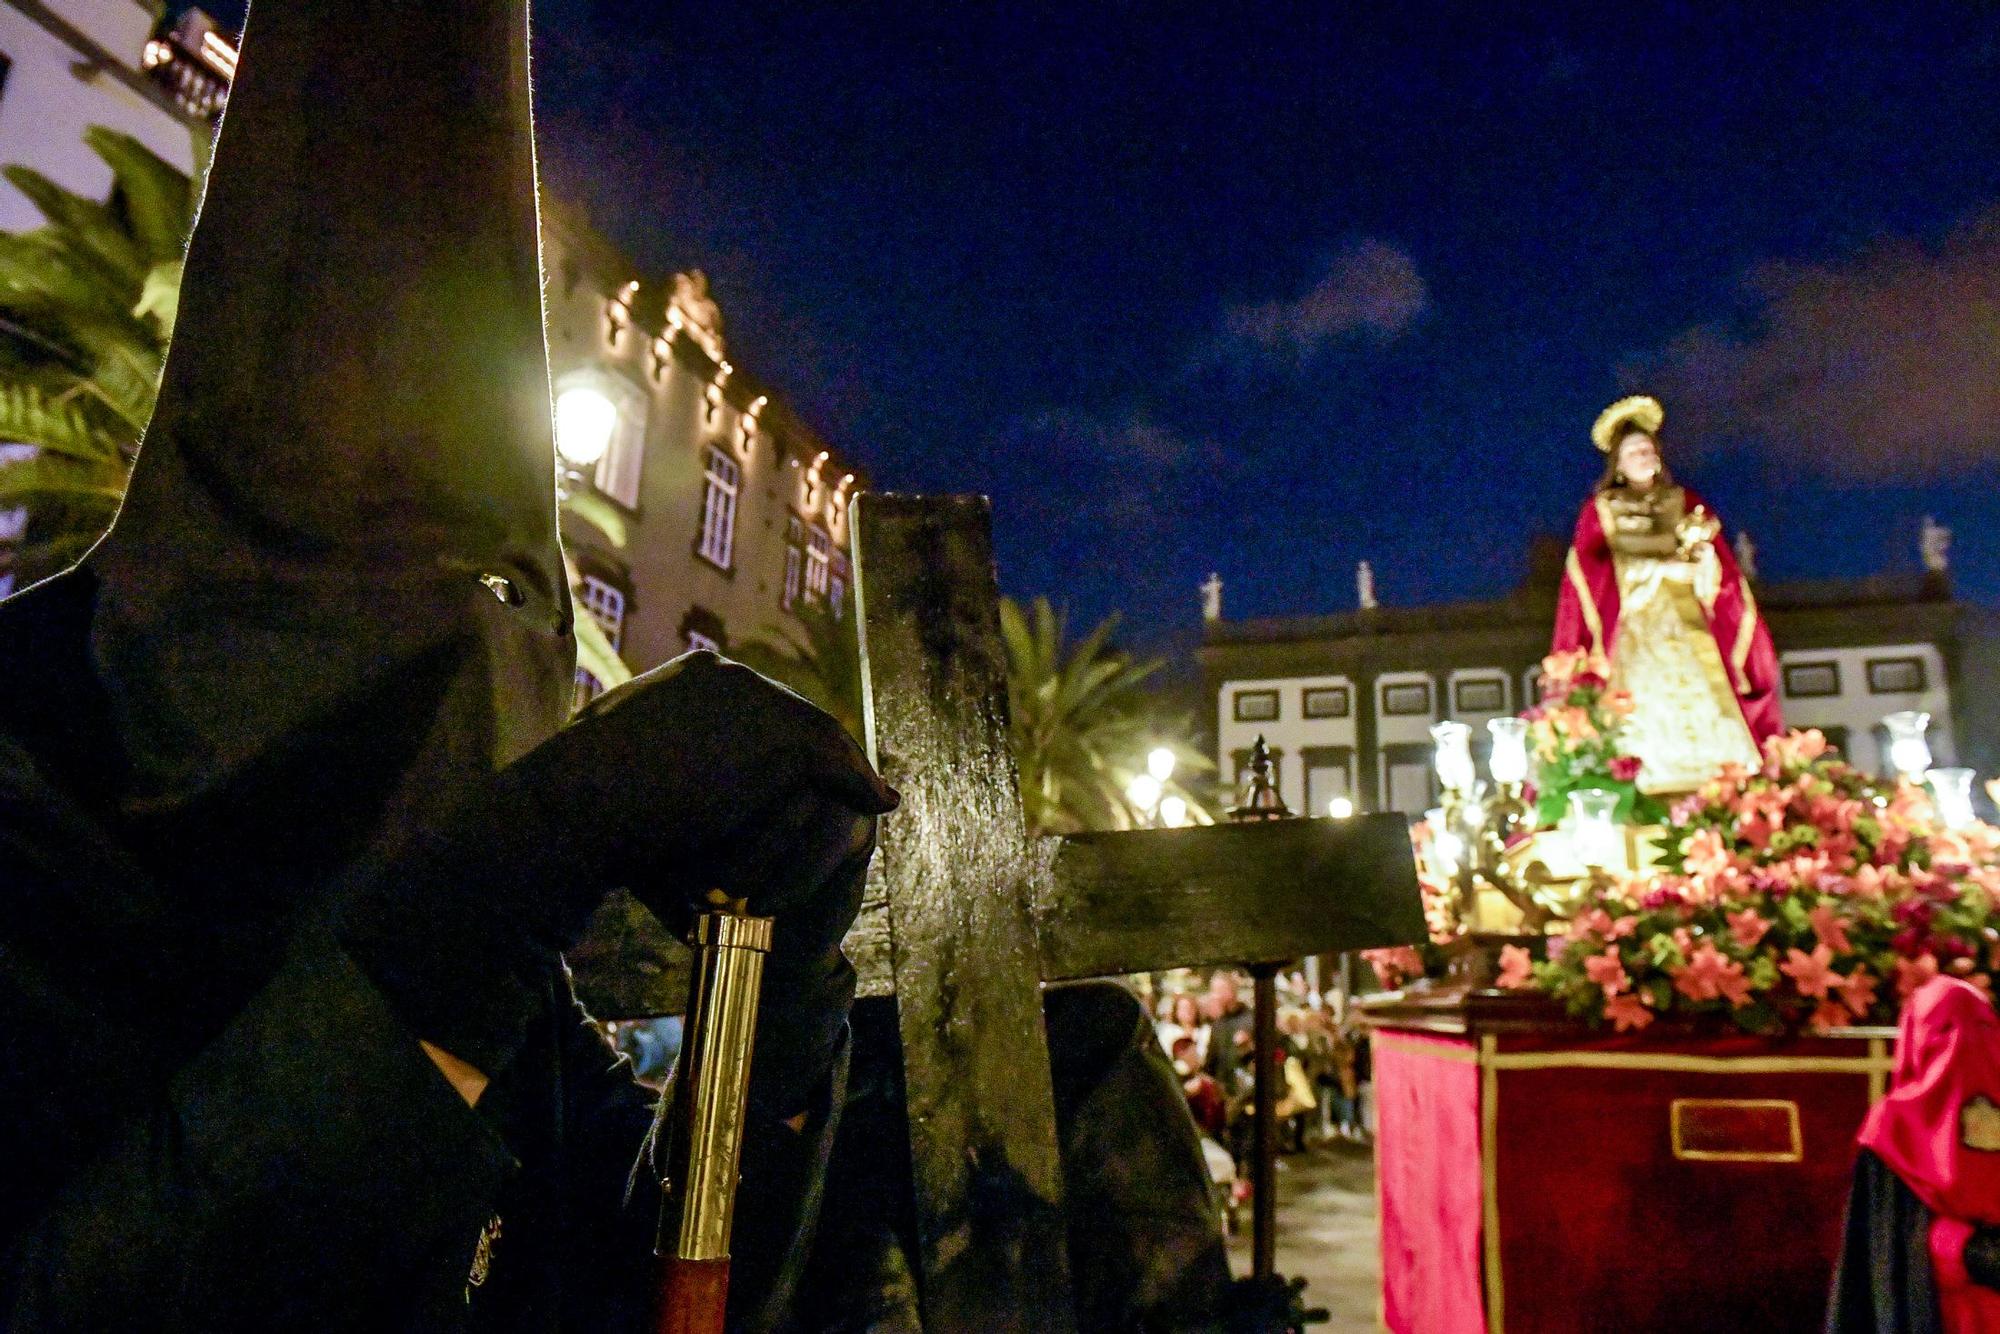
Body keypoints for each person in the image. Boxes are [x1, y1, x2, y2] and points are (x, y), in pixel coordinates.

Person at [0, 2, 894, 1328]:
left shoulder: (493, 942)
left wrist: (772, 1009)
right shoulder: (33, 840)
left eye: (497, 599)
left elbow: (651, 1285)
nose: (455, 652)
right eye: (369, 562)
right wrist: (468, 914)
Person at [1552, 395, 1782, 793]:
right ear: (1618, 465)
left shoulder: (1687, 502)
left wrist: (1703, 559)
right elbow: (1591, 577)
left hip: (1688, 622)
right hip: (1633, 627)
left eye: (1647, 449)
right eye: (1633, 452)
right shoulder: (1601, 509)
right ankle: (1639, 782)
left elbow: (1722, 569)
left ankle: (1723, 784)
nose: (1643, 456)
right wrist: (1660, 569)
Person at [1828, 975, 2000, 1331]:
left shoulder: (1891, 1127)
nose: (1963, 1043)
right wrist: (1962, 1249)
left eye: (1980, 1028)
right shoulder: (1892, 1127)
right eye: (1946, 1031)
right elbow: (1889, 1244)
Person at [1159, 992, 1211, 1067]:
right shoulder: (1169, 1032)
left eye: (1191, 1007)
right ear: (1176, 1012)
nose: (1188, 1011)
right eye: (1183, 1008)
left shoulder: (1205, 1031)